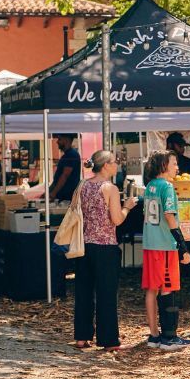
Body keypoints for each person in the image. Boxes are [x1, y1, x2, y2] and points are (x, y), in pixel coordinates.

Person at [72, 150, 138, 351]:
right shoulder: (110, 188)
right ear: (106, 165)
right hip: (105, 246)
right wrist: (127, 206)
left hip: (84, 245)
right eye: (114, 161)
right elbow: (117, 220)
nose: (117, 164)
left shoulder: (82, 185)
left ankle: (82, 337)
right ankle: (108, 339)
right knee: (106, 294)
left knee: (83, 292)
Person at [142, 150, 190, 350]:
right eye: (173, 163)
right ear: (164, 165)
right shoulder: (167, 187)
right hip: (164, 244)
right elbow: (170, 216)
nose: (177, 167)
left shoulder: (149, 186)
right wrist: (182, 245)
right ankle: (169, 337)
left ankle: (154, 335)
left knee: (151, 289)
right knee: (168, 287)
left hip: (149, 243)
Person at [49, 134, 81, 202]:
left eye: (59, 139)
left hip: (67, 196)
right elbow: (59, 177)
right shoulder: (67, 155)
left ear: (66, 140)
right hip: (63, 195)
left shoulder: (71, 155)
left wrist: (54, 192)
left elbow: (65, 175)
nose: (57, 142)